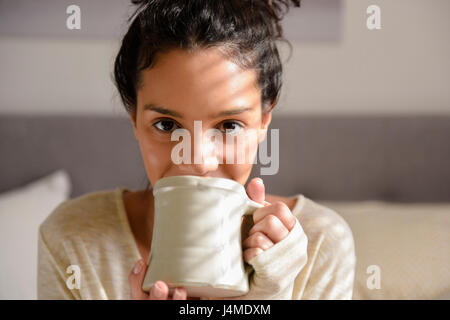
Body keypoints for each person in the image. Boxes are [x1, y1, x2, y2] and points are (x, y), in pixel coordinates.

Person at [38, 0, 356, 300]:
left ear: (264, 122)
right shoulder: (71, 240)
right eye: (167, 125)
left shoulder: (321, 245)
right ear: (134, 119)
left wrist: (267, 296)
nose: (197, 161)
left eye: (229, 125)